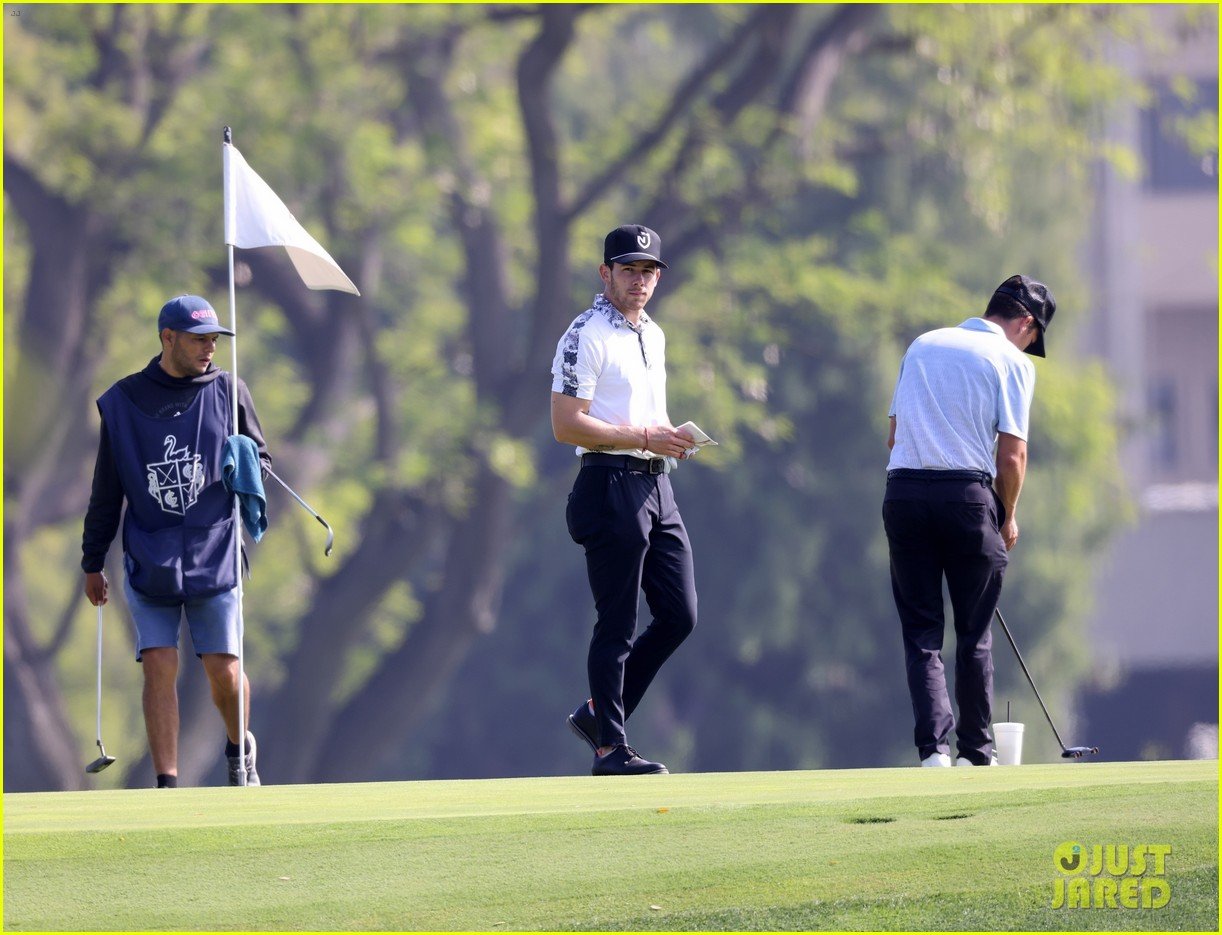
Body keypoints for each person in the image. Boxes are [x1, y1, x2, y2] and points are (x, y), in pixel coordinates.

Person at [82, 294, 270, 787]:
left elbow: (262, 461)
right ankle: (167, 785)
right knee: (158, 665)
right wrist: (92, 560)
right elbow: (107, 489)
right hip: (151, 555)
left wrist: (245, 461)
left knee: (224, 671)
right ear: (168, 338)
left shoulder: (229, 390)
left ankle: (238, 750)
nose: (210, 348)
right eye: (199, 339)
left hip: (215, 551)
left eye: (215, 339)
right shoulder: (122, 402)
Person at [882, 274, 1056, 768]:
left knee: (921, 632)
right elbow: (1012, 457)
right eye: (1032, 338)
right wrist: (1008, 517)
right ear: (1026, 323)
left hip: (904, 493)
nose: (1028, 347)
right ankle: (976, 753)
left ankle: (932, 753)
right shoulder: (1011, 361)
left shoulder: (923, 344)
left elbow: (894, 436)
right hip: (967, 497)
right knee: (974, 634)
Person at [550, 224, 699, 776]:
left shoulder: (652, 334)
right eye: (629, 269)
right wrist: (643, 437)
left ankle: (598, 716)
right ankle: (610, 748)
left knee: (680, 614)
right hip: (609, 483)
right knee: (617, 621)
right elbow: (566, 424)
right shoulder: (585, 334)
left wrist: (670, 438)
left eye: (648, 271)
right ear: (605, 273)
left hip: (657, 483)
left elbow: (641, 412)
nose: (640, 280)